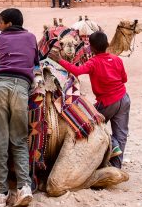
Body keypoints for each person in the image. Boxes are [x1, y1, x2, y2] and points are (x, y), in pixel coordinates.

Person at [49, 31, 129, 169]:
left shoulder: (93, 62)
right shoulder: (117, 59)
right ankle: (116, 167)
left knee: (89, 123)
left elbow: (77, 71)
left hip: (107, 102)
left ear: (91, 48)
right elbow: (124, 79)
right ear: (108, 44)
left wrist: (59, 60)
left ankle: (109, 149)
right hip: (124, 98)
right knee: (121, 133)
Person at [0, 8, 39, 207]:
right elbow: (35, 62)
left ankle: (1, 193)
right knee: (19, 139)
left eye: (0, 22)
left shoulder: (0, 38)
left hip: (1, 86)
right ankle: (24, 187)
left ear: (8, 24)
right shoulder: (32, 37)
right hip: (22, 89)